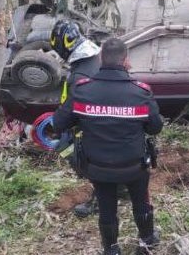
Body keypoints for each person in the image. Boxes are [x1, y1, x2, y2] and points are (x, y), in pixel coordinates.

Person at [53, 37, 164, 255]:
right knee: (141, 201)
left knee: (106, 208)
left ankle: (111, 249)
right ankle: (146, 241)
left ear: (101, 58)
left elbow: (59, 124)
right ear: (126, 61)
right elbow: (155, 128)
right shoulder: (140, 92)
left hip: (98, 167)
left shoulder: (82, 90)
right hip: (134, 166)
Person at [50, 19, 101, 217]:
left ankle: (102, 190)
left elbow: (64, 118)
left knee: (64, 146)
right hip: (115, 123)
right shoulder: (95, 59)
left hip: (97, 132)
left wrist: (56, 122)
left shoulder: (79, 76)